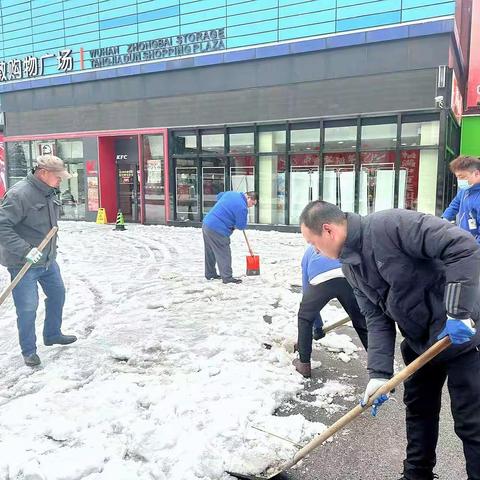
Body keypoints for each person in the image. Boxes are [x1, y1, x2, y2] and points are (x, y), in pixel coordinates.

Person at [299, 200, 480, 480]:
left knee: (472, 422)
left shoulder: (392, 225)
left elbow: (462, 245)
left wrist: (458, 311)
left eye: (314, 243)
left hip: (463, 333)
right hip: (421, 342)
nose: (314, 250)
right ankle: (417, 475)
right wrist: (378, 374)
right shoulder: (351, 269)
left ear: (328, 230)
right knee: (419, 411)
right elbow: (376, 318)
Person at [0, 155, 77, 367]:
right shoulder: (19, 195)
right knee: (27, 307)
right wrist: (26, 250)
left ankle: (52, 334)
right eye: (58, 177)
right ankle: (29, 350)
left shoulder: (49, 192)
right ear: (43, 173)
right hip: (22, 262)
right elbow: (2, 227)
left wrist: (47, 253)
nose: (61, 180)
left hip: (47, 260)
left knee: (57, 294)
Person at [293, 245, 368, 378]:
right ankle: (381, 371)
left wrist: (317, 327)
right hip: (346, 275)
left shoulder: (309, 252)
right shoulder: (335, 243)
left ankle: (304, 364)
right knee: (362, 323)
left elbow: (306, 288)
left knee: (304, 317)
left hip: (320, 279)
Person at [202, 191, 257, 284]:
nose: (251, 206)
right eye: (252, 203)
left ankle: (210, 274)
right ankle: (227, 278)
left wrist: (227, 208)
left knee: (210, 251)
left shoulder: (230, 194)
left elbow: (219, 196)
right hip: (218, 229)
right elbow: (241, 226)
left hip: (207, 224)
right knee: (224, 253)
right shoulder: (242, 207)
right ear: (248, 197)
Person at [442, 155, 480, 242]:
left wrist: (474, 249)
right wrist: (444, 220)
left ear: (476, 173)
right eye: (457, 177)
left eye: (462, 177)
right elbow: (454, 205)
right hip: (464, 237)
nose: (459, 181)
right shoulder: (465, 190)